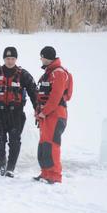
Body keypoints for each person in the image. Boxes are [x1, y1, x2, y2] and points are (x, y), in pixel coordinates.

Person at [0, 46, 38, 177]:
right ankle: (2, 163)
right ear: (4, 59)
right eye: (7, 58)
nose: (10, 61)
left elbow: (34, 94)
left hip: (16, 114)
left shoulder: (23, 75)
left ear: (16, 59)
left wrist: (37, 110)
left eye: (12, 58)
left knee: (14, 140)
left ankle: (11, 168)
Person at [34, 46, 73, 184]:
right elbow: (41, 95)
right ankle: (45, 173)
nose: (41, 59)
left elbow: (55, 97)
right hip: (46, 115)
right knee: (44, 144)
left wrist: (44, 112)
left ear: (46, 57)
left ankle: (55, 175)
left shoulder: (58, 73)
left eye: (42, 56)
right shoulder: (48, 73)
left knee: (52, 145)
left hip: (55, 115)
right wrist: (38, 112)